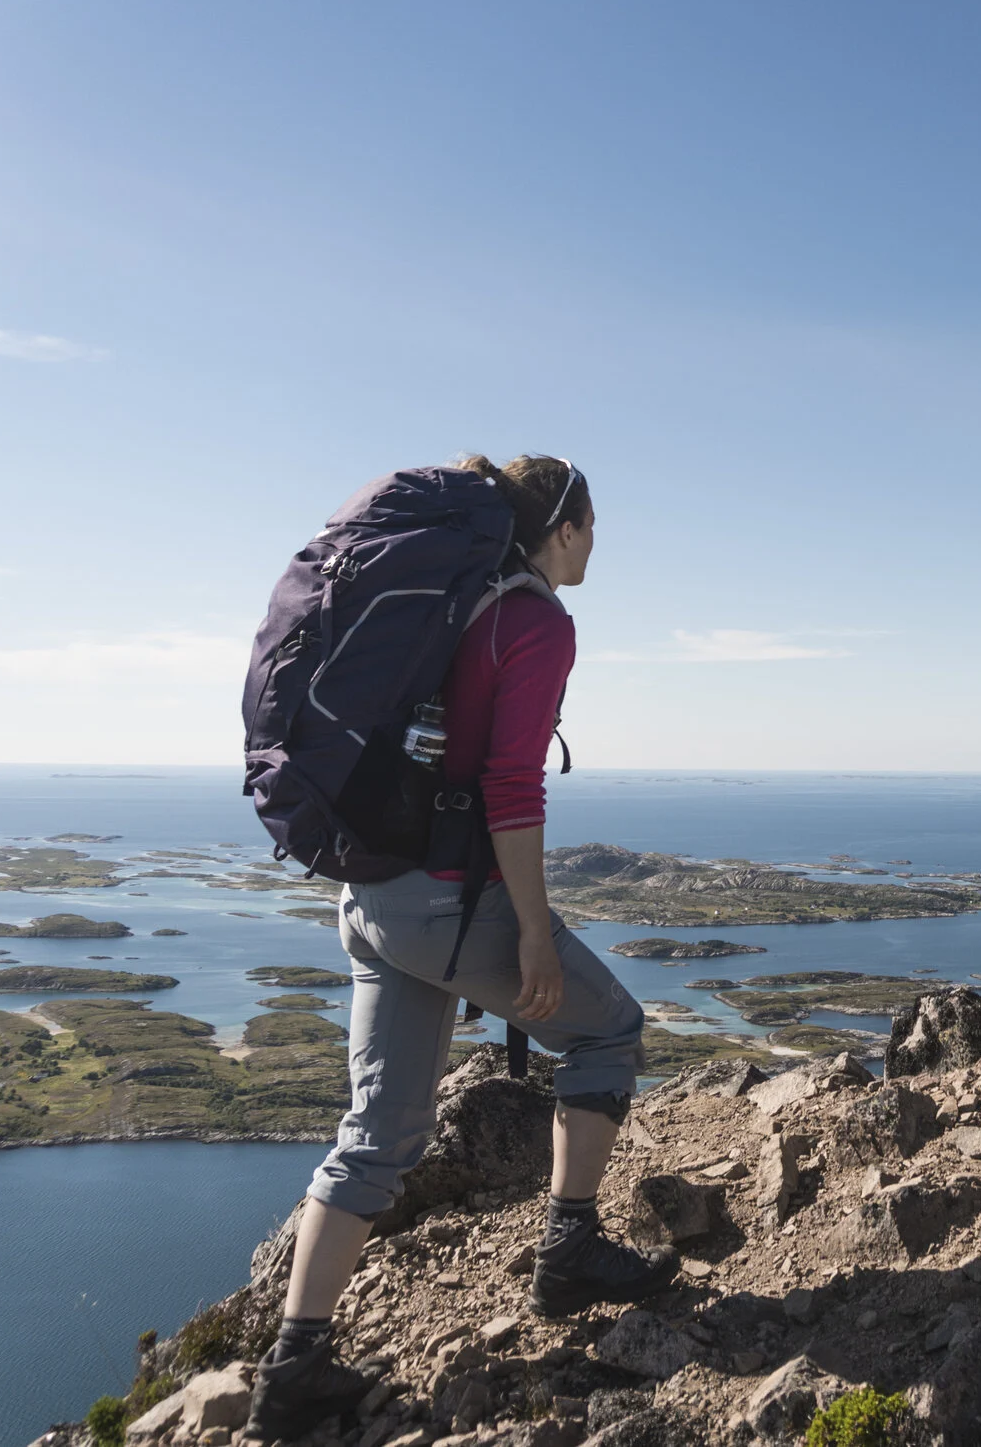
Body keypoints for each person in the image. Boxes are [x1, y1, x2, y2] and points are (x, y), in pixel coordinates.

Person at [248, 453, 678, 1443]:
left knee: (378, 1135)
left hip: (373, 893)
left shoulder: (445, 610)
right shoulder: (532, 621)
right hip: (447, 902)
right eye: (594, 525)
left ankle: (291, 1373)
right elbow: (510, 785)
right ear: (562, 527)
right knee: (608, 1030)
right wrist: (531, 925)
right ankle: (568, 1249)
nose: (598, 545)